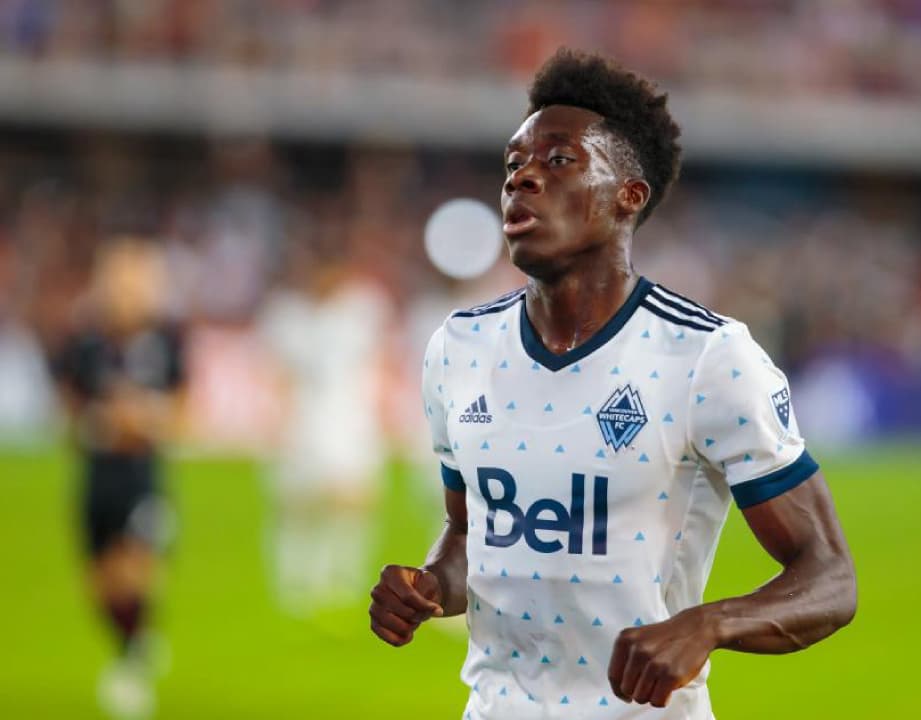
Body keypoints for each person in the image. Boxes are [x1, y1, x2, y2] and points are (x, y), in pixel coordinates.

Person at [369, 49, 857, 718]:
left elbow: (830, 576)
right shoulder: (458, 349)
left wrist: (709, 624)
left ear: (629, 196)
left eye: (559, 160)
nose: (524, 180)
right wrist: (427, 585)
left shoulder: (707, 358)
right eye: (514, 165)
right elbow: (468, 535)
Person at [53, 237, 184, 720]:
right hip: (96, 473)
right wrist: (100, 422)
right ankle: (134, 638)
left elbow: (184, 410)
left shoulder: (167, 342)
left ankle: (129, 667)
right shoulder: (84, 344)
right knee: (100, 584)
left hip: (142, 474)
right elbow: (67, 411)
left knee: (137, 568)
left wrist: (145, 420)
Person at [258, 224, 391, 617]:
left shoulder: (362, 309)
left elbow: (378, 364)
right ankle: (295, 581)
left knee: (351, 504)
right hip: (302, 422)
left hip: (350, 420)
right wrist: (277, 425)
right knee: (298, 507)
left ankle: (341, 578)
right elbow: (279, 376)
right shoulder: (287, 315)